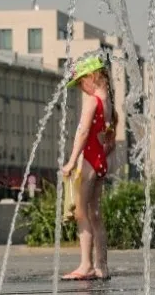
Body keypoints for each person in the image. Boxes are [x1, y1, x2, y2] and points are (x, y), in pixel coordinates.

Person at [60, 55, 116, 282]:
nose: (82, 88)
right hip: (101, 161)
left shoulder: (92, 101)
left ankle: (86, 265)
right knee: (95, 215)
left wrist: (72, 161)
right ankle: (102, 266)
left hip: (89, 160)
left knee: (81, 212)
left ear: (92, 77)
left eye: (82, 82)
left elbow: (83, 133)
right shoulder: (109, 103)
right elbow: (110, 139)